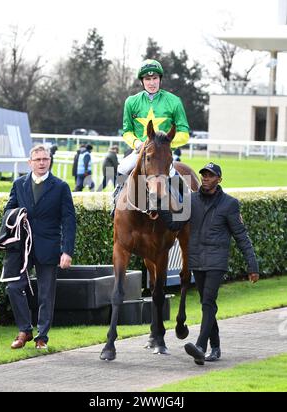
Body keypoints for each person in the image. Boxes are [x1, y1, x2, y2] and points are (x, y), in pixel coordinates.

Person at [158, 162, 259, 365]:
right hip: (197, 260)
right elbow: (175, 224)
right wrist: (159, 205)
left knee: (207, 303)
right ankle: (216, 347)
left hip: (216, 261)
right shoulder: (191, 200)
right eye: (204, 174)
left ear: (219, 179)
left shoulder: (230, 204)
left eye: (210, 175)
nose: (205, 177)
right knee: (208, 304)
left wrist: (252, 266)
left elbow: (241, 236)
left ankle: (201, 347)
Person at [3, 144, 76, 350]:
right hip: (21, 248)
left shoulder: (61, 186)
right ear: (30, 162)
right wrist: (17, 215)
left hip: (49, 248)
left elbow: (69, 221)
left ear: (50, 161)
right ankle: (24, 330)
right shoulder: (19, 184)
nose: (42, 163)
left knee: (45, 294)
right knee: (13, 287)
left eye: (45, 159)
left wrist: (67, 251)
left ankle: (42, 336)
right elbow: (8, 210)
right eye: (38, 160)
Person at [112, 59, 190, 213]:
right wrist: (136, 144)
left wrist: (166, 144)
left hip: (163, 154)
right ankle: (115, 205)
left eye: (155, 78)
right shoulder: (131, 102)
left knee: (177, 178)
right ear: (142, 81)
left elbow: (184, 133)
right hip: (141, 151)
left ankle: (184, 214)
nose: (152, 82)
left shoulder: (174, 102)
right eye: (148, 79)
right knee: (122, 167)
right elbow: (127, 131)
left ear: (160, 79)